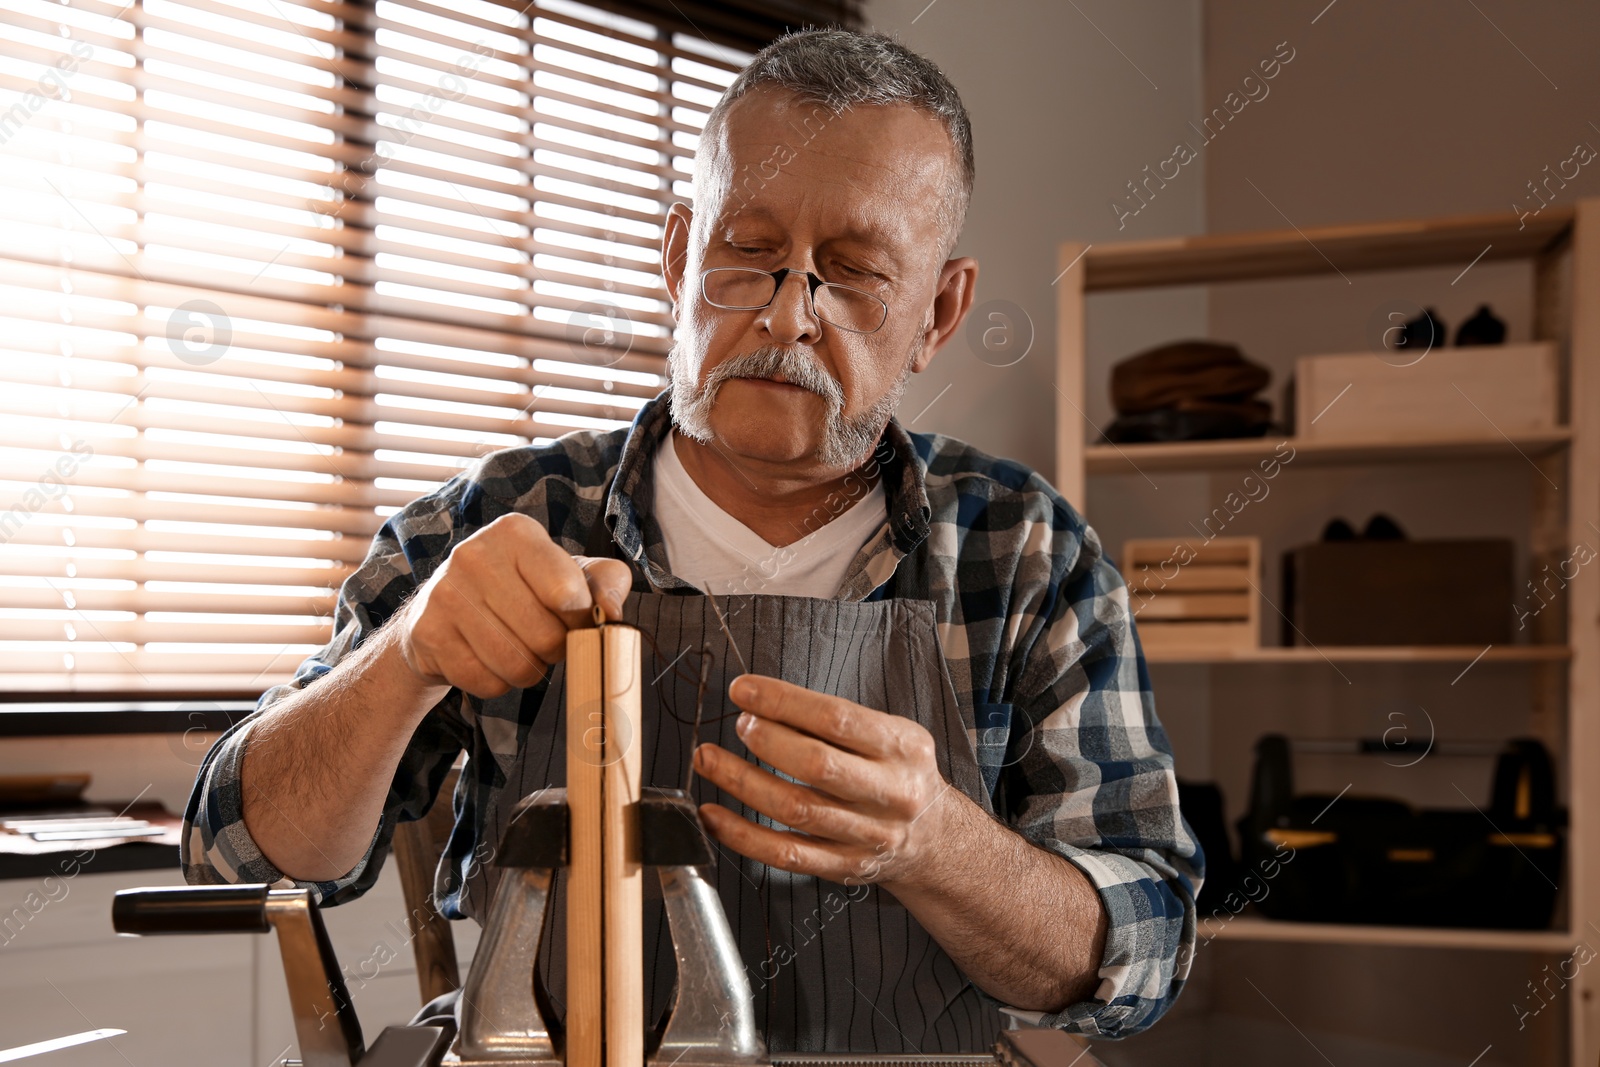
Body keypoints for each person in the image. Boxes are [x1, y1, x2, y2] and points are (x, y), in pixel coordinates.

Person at [183, 28, 1202, 1051]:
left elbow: (1141, 953)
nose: (784, 316)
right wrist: (402, 659)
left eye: (849, 274)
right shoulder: (501, 517)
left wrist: (938, 844)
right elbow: (237, 851)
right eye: (747, 255)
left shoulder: (1024, 553)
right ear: (678, 257)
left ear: (938, 311)